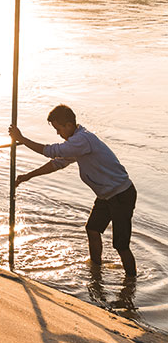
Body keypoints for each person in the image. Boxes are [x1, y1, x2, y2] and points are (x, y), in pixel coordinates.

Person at [9, 105, 137, 277]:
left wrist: (22, 139)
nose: (58, 133)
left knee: (121, 245)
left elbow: (51, 152)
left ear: (69, 125)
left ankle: (130, 283)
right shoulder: (76, 143)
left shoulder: (82, 140)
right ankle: (96, 272)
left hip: (121, 194)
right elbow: (57, 162)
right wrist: (28, 176)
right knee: (92, 229)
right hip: (106, 195)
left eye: (59, 129)